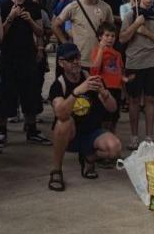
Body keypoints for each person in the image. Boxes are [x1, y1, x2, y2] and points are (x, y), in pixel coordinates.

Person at [46, 43, 122, 191]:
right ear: (61, 62)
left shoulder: (91, 78)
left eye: (77, 57)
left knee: (115, 149)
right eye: (70, 59)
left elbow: (112, 108)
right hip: (70, 136)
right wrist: (77, 92)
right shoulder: (58, 85)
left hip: (91, 132)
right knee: (63, 123)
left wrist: (105, 94)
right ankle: (56, 170)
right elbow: (61, 114)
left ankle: (89, 157)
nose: (75, 61)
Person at [0, 0, 51, 149]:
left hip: (27, 56)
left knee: (30, 93)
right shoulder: (3, 6)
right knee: (5, 93)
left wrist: (30, 21)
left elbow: (41, 32)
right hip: (8, 57)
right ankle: (1, 129)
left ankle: (32, 129)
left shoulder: (34, 7)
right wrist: (11, 17)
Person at [119, 0, 154, 148]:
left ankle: (148, 137)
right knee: (133, 101)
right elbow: (122, 38)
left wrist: (146, 32)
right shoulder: (131, 15)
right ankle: (133, 136)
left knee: (150, 100)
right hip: (134, 63)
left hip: (152, 62)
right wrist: (136, 24)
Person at [52, 0, 114, 68]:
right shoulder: (73, 7)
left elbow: (111, 30)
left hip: (101, 58)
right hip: (80, 60)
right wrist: (65, 43)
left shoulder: (106, 7)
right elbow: (55, 25)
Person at [88, 22, 124, 136]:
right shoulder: (96, 51)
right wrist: (101, 50)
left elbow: (119, 71)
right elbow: (94, 70)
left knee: (114, 119)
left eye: (112, 36)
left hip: (116, 89)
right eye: (107, 35)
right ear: (100, 37)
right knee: (104, 119)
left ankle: (112, 139)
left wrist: (123, 83)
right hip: (104, 88)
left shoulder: (117, 54)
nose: (110, 39)